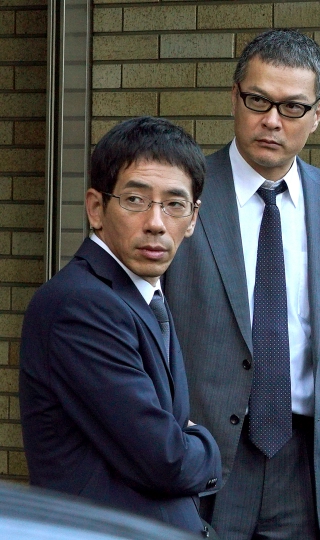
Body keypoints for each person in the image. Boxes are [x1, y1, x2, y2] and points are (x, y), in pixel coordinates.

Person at [163, 29, 320, 539]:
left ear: (317, 114)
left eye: (293, 107)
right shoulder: (181, 194)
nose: (272, 120)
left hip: (305, 463)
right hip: (200, 456)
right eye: (258, 100)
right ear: (234, 97)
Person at [19, 116, 221, 534]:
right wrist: (207, 446)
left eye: (174, 204)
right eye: (135, 200)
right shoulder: (81, 305)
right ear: (96, 208)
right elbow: (164, 460)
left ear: (193, 218)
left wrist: (183, 437)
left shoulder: (142, 294)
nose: (156, 222)